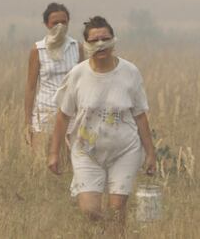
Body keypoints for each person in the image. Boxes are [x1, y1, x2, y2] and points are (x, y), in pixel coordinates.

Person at [48, 16, 157, 236]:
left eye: (105, 39)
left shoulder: (130, 72)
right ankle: (112, 231)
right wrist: (54, 153)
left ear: (113, 41)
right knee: (89, 211)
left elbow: (140, 115)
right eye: (94, 40)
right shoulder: (78, 74)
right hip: (86, 150)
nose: (100, 45)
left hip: (124, 150)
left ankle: (116, 232)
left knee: (117, 208)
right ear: (86, 44)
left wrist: (151, 153)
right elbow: (63, 116)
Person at [24, 2, 84, 153]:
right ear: (46, 24)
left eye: (63, 22)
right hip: (45, 112)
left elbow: (84, 82)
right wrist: (27, 121)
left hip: (72, 112)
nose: (60, 26)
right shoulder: (38, 49)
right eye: (55, 23)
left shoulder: (76, 47)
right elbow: (31, 87)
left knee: (70, 158)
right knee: (41, 156)